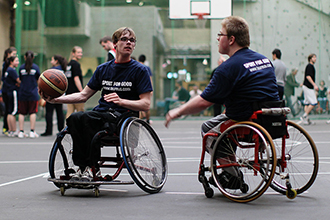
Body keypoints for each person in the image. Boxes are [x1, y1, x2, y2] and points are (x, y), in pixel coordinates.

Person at [165, 16, 278, 183]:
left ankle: (232, 174)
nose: (218, 38)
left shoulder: (228, 67)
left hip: (246, 119)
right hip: (272, 117)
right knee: (219, 122)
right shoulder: (264, 60)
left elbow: (204, 101)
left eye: (221, 34)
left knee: (208, 131)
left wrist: (178, 111)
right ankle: (229, 169)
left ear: (231, 39)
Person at [40, 27, 152, 181]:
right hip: (102, 114)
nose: (129, 43)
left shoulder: (140, 71)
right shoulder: (103, 69)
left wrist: (121, 101)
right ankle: (83, 167)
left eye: (132, 40)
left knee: (88, 119)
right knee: (74, 118)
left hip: (124, 117)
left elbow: (146, 104)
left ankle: (92, 168)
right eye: (124, 39)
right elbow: (83, 95)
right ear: (115, 44)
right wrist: (56, 100)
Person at [40, 55, 67, 136]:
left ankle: (48, 130)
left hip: (51, 94)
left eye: (52, 60)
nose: (51, 61)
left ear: (56, 61)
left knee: (49, 112)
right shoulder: (63, 70)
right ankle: (61, 129)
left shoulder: (52, 71)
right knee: (60, 112)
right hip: (60, 94)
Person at [17, 51, 41, 138]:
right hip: (33, 93)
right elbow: (39, 80)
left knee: (21, 113)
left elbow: (20, 79)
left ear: (24, 57)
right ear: (33, 58)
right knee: (32, 112)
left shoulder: (21, 68)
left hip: (22, 93)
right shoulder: (35, 68)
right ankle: (32, 131)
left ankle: (21, 131)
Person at [2, 56, 20, 137]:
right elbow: (18, 80)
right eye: (16, 60)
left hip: (8, 91)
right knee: (13, 111)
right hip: (12, 91)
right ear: (11, 62)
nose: (18, 62)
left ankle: (10, 130)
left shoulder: (7, 70)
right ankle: (13, 130)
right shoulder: (12, 70)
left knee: (9, 111)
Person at [65, 46, 84, 118]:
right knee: (80, 112)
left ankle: (68, 128)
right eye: (78, 52)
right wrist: (82, 92)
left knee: (69, 112)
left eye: (81, 52)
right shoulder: (76, 64)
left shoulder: (68, 64)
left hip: (69, 92)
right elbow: (76, 79)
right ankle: (79, 128)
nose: (80, 54)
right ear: (73, 53)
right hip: (76, 93)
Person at [300, 53, 318, 125]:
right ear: (310, 59)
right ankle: (304, 116)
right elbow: (308, 76)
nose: (315, 59)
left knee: (307, 103)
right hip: (308, 87)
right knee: (314, 102)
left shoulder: (310, 66)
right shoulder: (310, 66)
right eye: (314, 57)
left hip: (306, 86)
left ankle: (306, 119)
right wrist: (314, 85)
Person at [138, 54, 153, 124]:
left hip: (138, 88)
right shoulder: (147, 68)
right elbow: (150, 79)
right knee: (147, 105)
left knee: (139, 106)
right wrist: (151, 89)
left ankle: (139, 121)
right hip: (146, 88)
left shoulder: (137, 67)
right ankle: (147, 120)